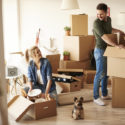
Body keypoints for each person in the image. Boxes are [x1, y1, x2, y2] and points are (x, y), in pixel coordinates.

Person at [93, 3, 125, 106]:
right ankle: (96, 97)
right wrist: (116, 45)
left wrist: (119, 31)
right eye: (98, 14)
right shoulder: (96, 23)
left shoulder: (109, 19)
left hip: (107, 49)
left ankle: (104, 94)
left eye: (101, 14)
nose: (99, 16)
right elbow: (104, 37)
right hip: (100, 50)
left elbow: (109, 29)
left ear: (107, 13)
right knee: (100, 73)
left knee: (106, 73)